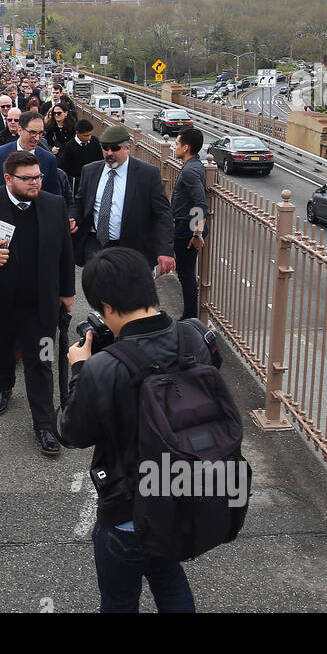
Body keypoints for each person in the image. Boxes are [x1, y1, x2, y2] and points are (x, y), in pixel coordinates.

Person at [58, 246, 208, 613]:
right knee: (169, 578)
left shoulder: (103, 368)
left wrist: (80, 369)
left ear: (106, 307)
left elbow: (72, 432)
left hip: (127, 511)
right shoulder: (194, 337)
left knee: (120, 599)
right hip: (182, 495)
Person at [0, 151, 75, 457]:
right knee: (2, 350)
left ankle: (44, 425)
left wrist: (68, 291)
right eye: (27, 178)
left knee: (41, 361)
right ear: (8, 178)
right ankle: (4, 386)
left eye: (38, 177)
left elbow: (65, 253)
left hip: (39, 303)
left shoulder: (53, 204)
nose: (35, 183)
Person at [72, 124, 174, 274]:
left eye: (114, 148)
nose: (109, 152)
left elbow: (163, 214)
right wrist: (72, 217)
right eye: (105, 148)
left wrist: (165, 250)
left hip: (130, 248)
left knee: (125, 294)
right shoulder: (90, 170)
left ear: (128, 148)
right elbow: (80, 203)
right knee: (98, 292)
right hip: (95, 246)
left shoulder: (147, 174)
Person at [171, 127, 209, 320]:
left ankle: (189, 317)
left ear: (186, 147)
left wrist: (197, 234)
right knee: (185, 272)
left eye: (177, 143)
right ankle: (190, 315)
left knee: (186, 274)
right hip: (186, 226)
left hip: (187, 228)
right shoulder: (195, 166)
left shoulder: (190, 172)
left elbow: (201, 204)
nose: (174, 146)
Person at [0, 110, 64, 196]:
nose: (37, 138)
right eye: (33, 132)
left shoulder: (49, 159)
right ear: (20, 130)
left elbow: (53, 195)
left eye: (41, 133)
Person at [58, 118, 102, 186]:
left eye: (90, 135)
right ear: (77, 133)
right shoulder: (70, 146)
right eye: (86, 136)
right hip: (78, 181)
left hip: (94, 178)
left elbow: (100, 159)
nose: (89, 138)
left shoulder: (95, 141)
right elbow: (65, 166)